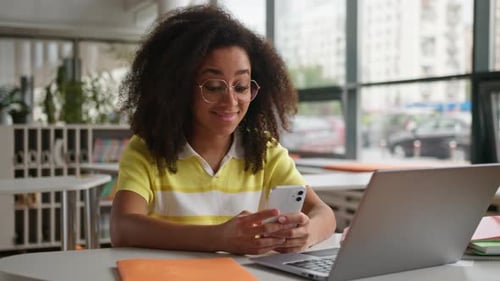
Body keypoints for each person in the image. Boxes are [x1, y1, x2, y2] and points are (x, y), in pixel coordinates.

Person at [110, 4, 336, 255]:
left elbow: (323, 213)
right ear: (178, 88)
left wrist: (307, 234)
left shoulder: (265, 151)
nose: (231, 102)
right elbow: (123, 228)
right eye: (214, 86)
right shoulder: (147, 151)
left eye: (240, 87)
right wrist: (218, 237)